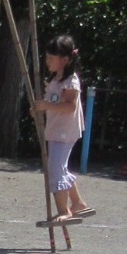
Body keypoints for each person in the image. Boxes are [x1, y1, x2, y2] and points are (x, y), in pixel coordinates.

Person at [37, 34, 94, 220]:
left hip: (65, 131)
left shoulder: (71, 81)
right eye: (47, 57)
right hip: (56, 129)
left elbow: (70, 106)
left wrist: (46, 106)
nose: (47, 61)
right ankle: (78, 203)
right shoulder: (55, 80)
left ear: (65, 60)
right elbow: (52, 103)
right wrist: (40, 108)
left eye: (51, 58)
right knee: (59, 167)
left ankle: (64, 210)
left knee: (55, 169)